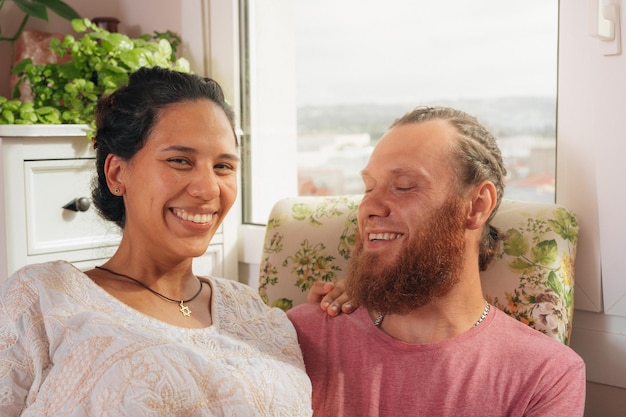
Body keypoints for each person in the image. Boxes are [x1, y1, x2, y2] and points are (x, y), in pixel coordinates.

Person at [0, 67, 312, 416]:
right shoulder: (43, 297)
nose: (209, 188)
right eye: (180, 161)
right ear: (118, 173)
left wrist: (337, 307)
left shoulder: (254, 313)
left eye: (223, 167)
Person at [288, 106, 586, 417]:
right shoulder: (302, 334)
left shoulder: (546, 376)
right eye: (368, 188)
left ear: (476, 206)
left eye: (404, 186)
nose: (369, 208)